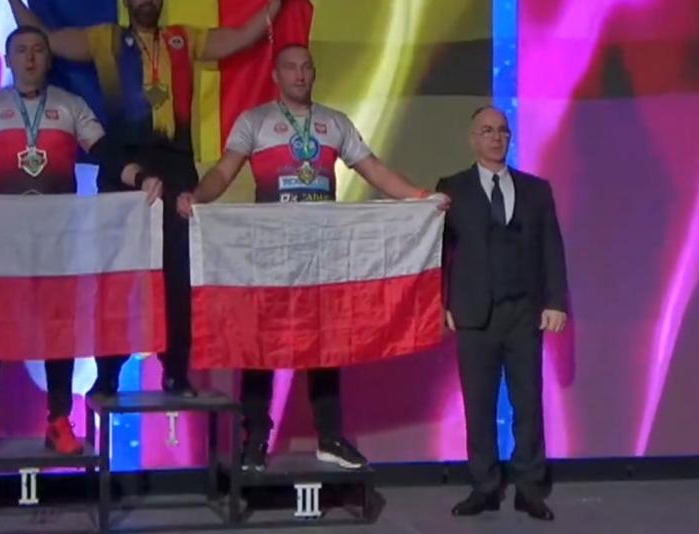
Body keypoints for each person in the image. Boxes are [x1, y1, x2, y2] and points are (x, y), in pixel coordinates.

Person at [0, 0, 290, 397]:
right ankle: (108, 374)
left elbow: (240, 38)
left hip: (175, 166)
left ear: (161, 0)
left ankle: (175, 372)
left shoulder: (184, 38)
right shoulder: (106, 39)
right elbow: (45, 39)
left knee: (177, 273)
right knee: (116, 273)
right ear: (127, 0)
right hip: (123, 166)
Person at [176, 44, 444, 471]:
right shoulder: (254, 121)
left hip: (322, 254)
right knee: (260, 346)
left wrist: (421, 197)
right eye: (290, 68)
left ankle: (330, 438)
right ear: (276, 76)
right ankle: (254, 440)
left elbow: (374, 170)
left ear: (314, 73)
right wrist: (197, 197)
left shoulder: (335, 122)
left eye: (306, 67)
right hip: (270, 255)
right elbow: (224, 172)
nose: (299, 74)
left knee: (326, 343)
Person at [0, 25, 160, 459]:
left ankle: (59, 420)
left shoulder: (70, 106)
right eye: (21, 50)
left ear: (48, 59)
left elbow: (104, 152)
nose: (29, 57)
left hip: (55, 240)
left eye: (38, 50)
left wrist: (138, 177)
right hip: (0, 241)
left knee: (57, 328)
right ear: (8, 60)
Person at [436, 106, 569, 522]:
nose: (496, 137)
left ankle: (529, 488)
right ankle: (484, 486)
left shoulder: (536, 190)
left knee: (528, 402)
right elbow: (438, 252)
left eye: (502, 131)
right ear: (473, 138)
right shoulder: (452, 189)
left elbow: (552, 248)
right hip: (474, 314)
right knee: (478, 405)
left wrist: (556, 302)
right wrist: (441, 302)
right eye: (487, 131)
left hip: (524, 313)